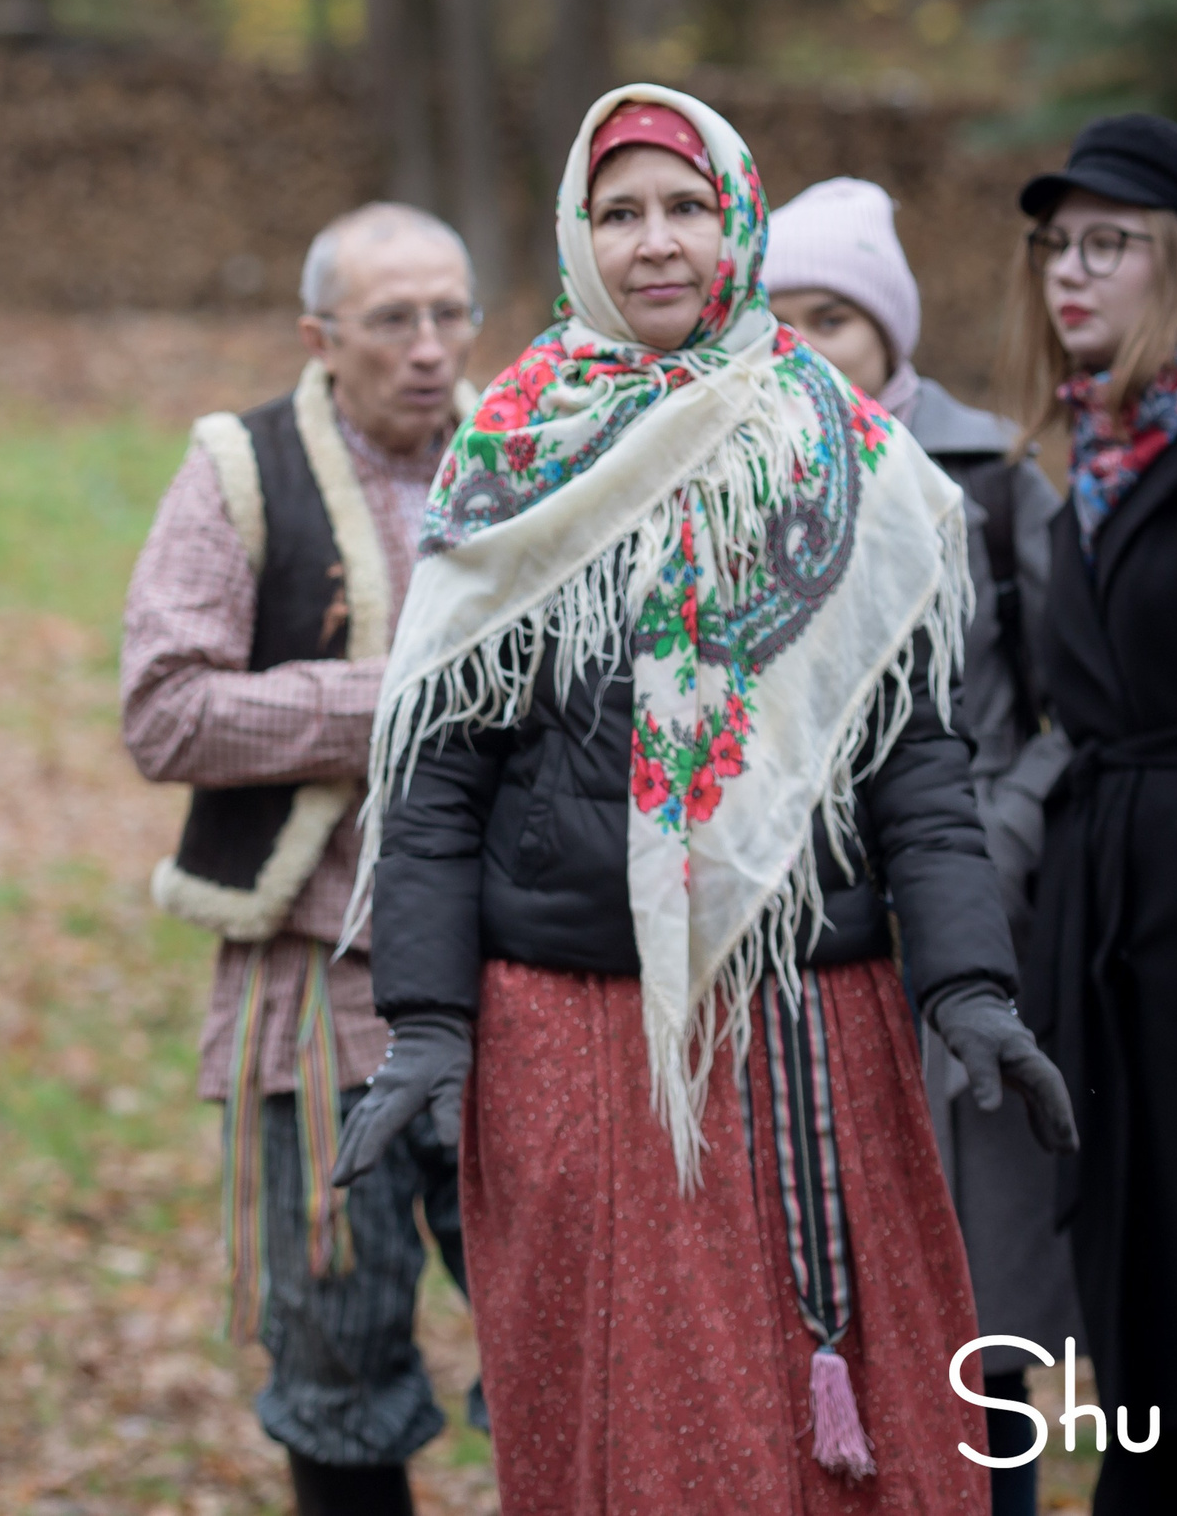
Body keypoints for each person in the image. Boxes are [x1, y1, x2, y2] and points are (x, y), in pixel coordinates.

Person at [331, 85, 1076, 1511]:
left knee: (832, 1439)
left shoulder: (851, 455)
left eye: (685, 206)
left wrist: (969, 987)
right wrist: (425, 1019)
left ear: (738, 222)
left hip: (809, 1027)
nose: (656, 241)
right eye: (620, 212)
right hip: (580, 1040)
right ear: (577, 236)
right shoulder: (515, 452)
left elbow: (919, 765)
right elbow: (436, 775)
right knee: (636, 1434)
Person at [121, 203, 480, 1515]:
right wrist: (398, 699)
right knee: (337, 1358)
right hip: (325, 987)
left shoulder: (536, 457)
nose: (429, 346)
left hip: (520, 976)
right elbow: (164, 712)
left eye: (450, 314)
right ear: (320, 337)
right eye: (393, 319)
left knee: (575, 1331)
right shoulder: (242, 467)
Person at [770, 176, 1076, 1516]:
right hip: (813, 953)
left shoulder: (992, 479)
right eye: (778, 320)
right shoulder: (743, 488)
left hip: (973, 931)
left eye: (833, 317)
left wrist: (998, 837)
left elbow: (1083, 704)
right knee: (834, 1299)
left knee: (977, 1303)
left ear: (890, 331)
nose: (806, 348)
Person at [1006, 113, 1177, 1516]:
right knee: (1130, 1267)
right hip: (1113, 922)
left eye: (1111, 243)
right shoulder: (1101, 449)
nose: (1069, 272)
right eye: (1057, 245)